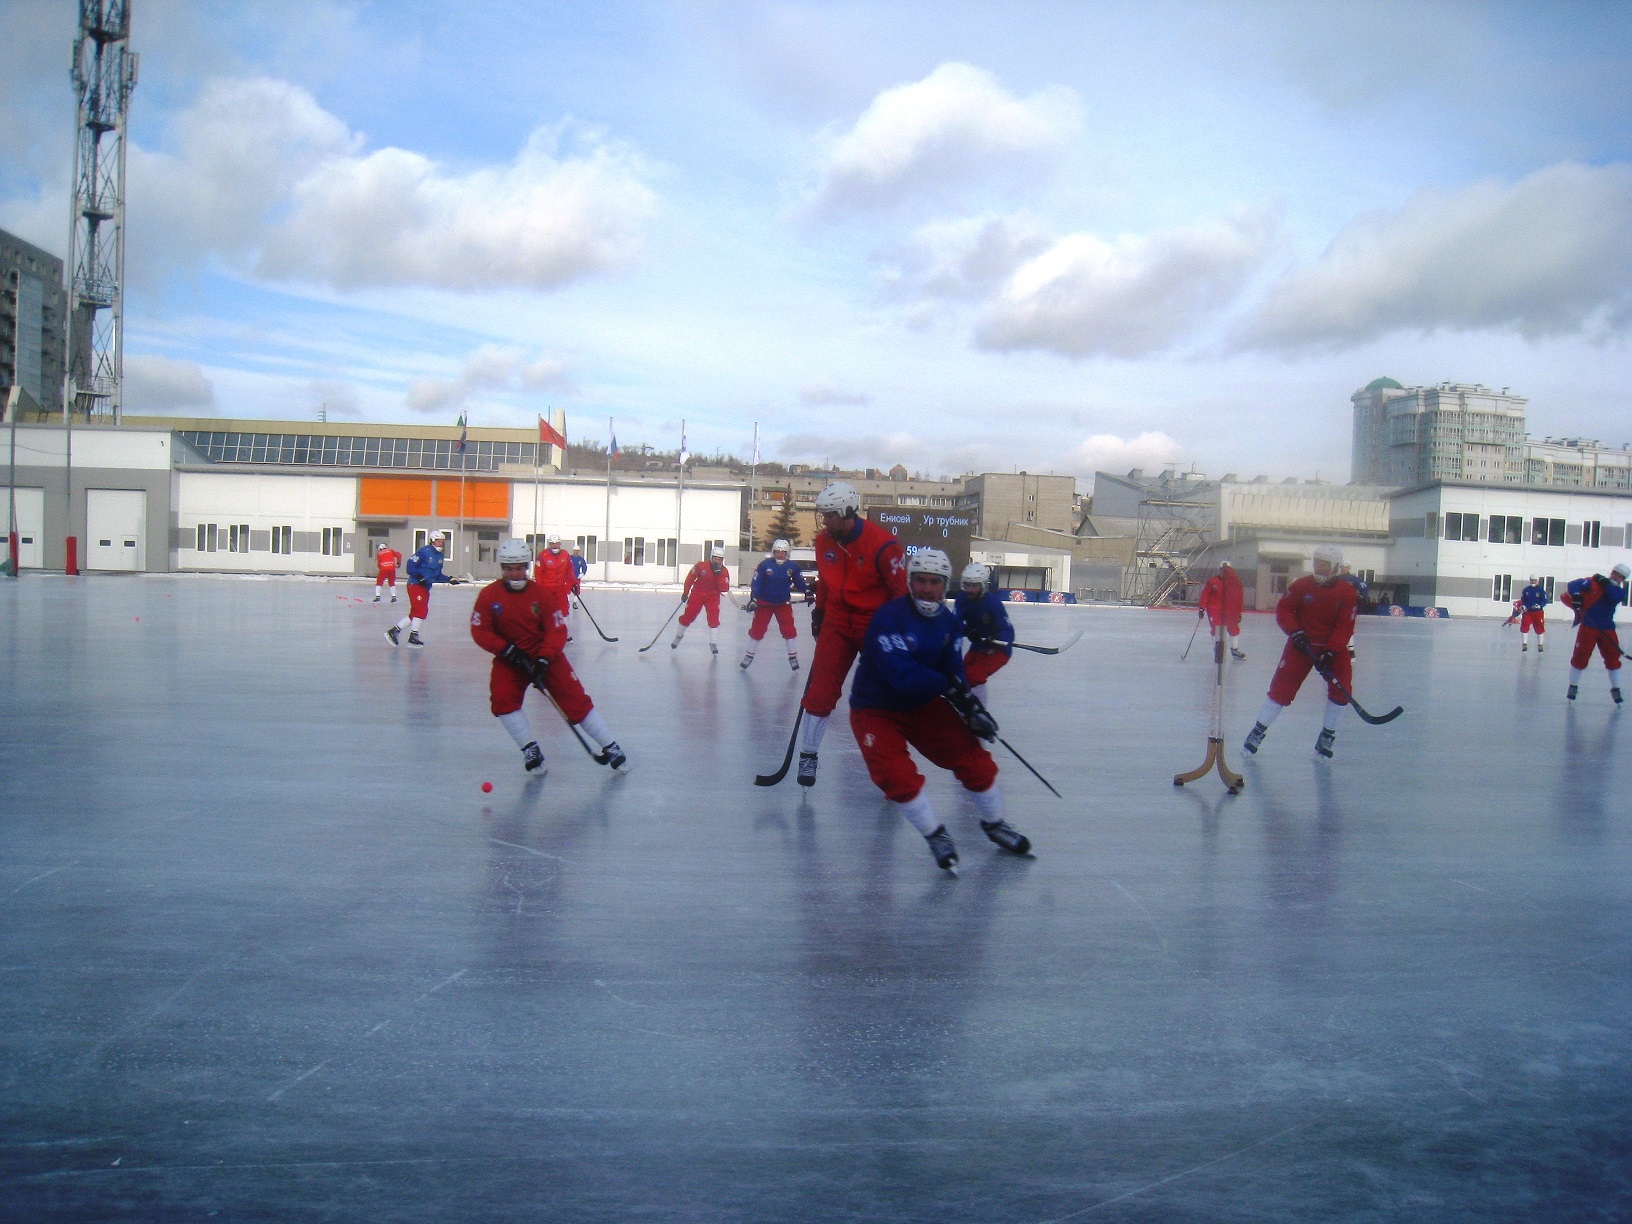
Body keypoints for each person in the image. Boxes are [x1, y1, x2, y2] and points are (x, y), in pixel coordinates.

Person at [849, 549, 1031, 874]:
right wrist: (948, 686)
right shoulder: (887, 617)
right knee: (897, 776)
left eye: (935, 582)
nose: (927, 589)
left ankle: (995, 823)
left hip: (924, 705)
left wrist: (971, 708)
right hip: (875, 708)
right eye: (920, 581)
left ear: (945, 585)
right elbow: (901, 677)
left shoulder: (948, 623)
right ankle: (935, 833)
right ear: (909, 581)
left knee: (974, 759)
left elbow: (954, 671)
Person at [470, 540, 628, 774]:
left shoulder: (541, 595)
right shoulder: (488, 596)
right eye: (510, 568)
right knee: (503, 699)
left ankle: (610, 746)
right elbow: (480, 630)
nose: (515, 573)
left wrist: (544, 658)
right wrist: (505, 649)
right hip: (510, 659)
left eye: (520, 567)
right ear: (502, 568)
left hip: (546, 657)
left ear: (527, 567)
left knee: (576, 702)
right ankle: (530, 748)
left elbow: (556, 630)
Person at [796, 482, 908, 786]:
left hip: (875, 625)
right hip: (837, 621)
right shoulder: (824, 542)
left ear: (848, 513)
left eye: (830, 515)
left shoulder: (884, 546)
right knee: (820, 690)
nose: (825, 522)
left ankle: (894, 761)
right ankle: (808, 756)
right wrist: (820, 612)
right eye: (823, 515)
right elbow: (826, 582)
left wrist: (899, 632)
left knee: (883, 695)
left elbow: (900, 594)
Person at [1242, 543, 1358, 760]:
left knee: (1342, 690)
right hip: (1301, 645)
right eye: (1316, 563)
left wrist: (1331, 651)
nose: (1318, 568)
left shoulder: (1347, 592)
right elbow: (1284, 610)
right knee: (1281, 689)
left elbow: (1345, 625)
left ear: (1334, 566)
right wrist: (1295, 632)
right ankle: (1257, 732)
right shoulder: (1302, 586)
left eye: (1323, 564)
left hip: (1333, 648)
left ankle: (1327, 736)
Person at [1560, 562, 1627, 703]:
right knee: (1580, 656)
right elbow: (1574, 584)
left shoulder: (1619, 591)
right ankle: (1573, 685)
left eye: (1620, 576)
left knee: (1613, 658)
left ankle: (1616, 688)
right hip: (1588, 626)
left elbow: (1613, 595)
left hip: (1607, 628)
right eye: (1615, 573)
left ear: (1623, 579)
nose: (1616, 576)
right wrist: (1577, 596)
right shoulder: (1595, 584)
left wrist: (1605, 584)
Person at [741, 538, 809, 671]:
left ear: (787, 553)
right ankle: (749, 655)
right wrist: (754, 598)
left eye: (783, 552)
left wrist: (807, 592)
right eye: (777, 552)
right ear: (773, 552)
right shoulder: (765, 565)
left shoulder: (792, 567)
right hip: (764, 603)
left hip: (783, 603)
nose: (780, 554)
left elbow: (799, 581)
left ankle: (793, 656)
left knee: (789, 629)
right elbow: (757, 582)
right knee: (757, 629)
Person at [386, 531, 461, 648]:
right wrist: (420, 577)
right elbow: (410, 565)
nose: (440, 544)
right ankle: (413, 636)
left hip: (425, 587)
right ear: (432, 541)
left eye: (442, 542)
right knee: (420, 610)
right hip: (415, 585)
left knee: (417, 613)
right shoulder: (424, 552)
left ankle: (394, 631)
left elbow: (436, 576)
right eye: (438, 541)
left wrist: (449, 579)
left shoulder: (440, 557)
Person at [953, 562, 1014, 702]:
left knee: (974, 676)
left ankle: (979, 713)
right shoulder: (962, 600)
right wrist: (967, 630)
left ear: (983, 585)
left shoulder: (993, 603)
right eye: (967, 584)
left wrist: (996, 639)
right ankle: (963, 707)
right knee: (960, 675)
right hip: (978, 647)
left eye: (974, 585)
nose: (970, 589)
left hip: (999, 651)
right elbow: (954, 624)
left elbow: (1008, 631)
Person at [672, 545, 733, 653]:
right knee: (688, 616)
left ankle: (713, 642)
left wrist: (719, 576)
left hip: (713, 596)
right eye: (716, 558)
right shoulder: (701, 566)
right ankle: (678, 635)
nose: (717, 561)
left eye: (720, 559)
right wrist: (686, 592)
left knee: (714, 618)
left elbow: (725, 588)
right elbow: (690, 578)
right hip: (697, 594)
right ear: (711, 557)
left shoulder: (723, 571)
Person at [1197, 560, 1246, 661]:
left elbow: (1238, 599)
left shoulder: (1235, 584)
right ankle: (1218, 650)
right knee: (1216, 629)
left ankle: (1234, 649)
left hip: (1229, 610)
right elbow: (1205, 594)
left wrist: (1239, 612)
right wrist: (1202, 607)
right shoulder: (1213, 581)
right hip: (1214, 609)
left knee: (1233, 628)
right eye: (1222, 570)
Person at [533, 535, 577, 623]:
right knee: (546, 609)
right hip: (546, 588)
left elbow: (569, 571)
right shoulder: (543, 555)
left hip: (560, 588)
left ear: (560, 544)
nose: (555, 546)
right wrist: (539, 588)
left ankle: (563, 631)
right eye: (553, 544)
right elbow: (538, 573)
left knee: (563, 609)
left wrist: (573, 584)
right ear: (550, 544)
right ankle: (545, 629)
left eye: (556, 544)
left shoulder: (565, 555)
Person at [1518, 576, 1550, 653]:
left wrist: (1540, 605)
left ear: (1537, 581)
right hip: (1528, 612)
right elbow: (1523, 600)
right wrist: (1523, 606)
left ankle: (1540, 644)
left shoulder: (1540, 590)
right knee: (1524, 626)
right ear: (1530, 580)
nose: (1533, 581)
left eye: (1535, 580)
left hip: (1538, 612)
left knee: (1539, 627)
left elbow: (1545, 600)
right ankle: (1524, 644)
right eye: (1532, 580)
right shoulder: (1526, 590)